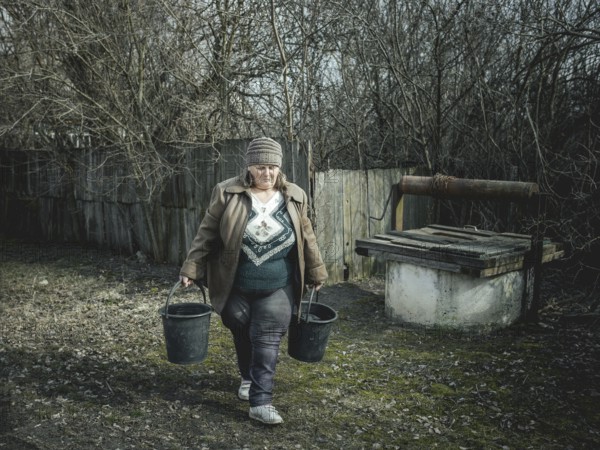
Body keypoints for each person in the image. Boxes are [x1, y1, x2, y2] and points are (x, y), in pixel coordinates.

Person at [179, 137, 328, 425]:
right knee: (240, 326)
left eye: (272, 167)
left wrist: (316, 272)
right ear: (249, 167)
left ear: (279, 168)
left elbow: (307, 236)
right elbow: (207, 232)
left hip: (278, 284)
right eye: (260, 167)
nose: (267, 173)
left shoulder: (295, 195)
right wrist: (191, 268)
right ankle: (247, 376)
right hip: (235, 283)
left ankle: (261, 401)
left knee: (267, 336)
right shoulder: (227, 192)